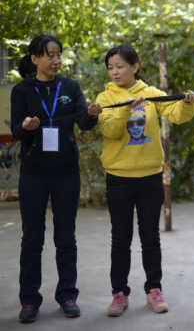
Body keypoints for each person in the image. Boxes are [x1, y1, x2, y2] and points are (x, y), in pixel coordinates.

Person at [96, 44, 194, 317]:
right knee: (120, 238)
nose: (115, 72)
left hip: (150, 177)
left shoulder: (152, 95)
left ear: (135, 66)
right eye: (111, 67)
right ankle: (119, 294)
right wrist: (124, 110)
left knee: (150, 237)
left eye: (120, 66)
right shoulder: (105, 98)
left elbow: (177, 114)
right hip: (118, 178)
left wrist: (188, 103)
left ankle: (154, 289)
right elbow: (109, 130)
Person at [10, 35, 102, 323]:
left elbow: (83, 122)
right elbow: (16, 130)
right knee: (32, 239)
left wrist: (92, 114)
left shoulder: (70, 87)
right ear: (35, 58)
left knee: (66, 238)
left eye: (59, 54)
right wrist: (25, 126)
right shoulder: (22, 90)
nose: (56, 60)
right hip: (34, 174)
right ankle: (29, 300)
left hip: (66, 173)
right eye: (50, 54)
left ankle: (67, 296)